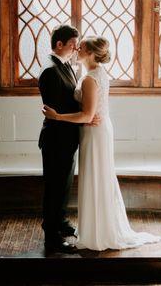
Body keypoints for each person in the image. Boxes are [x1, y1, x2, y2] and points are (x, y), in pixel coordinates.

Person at [43, 36, 160, 251]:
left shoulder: (89, 79)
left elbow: (87, 116)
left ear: (90, 54)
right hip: (96, 130)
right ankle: (97, 226)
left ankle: (99, 231)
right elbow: (90, 111)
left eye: (82, 48)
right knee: (97, 177)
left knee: (96, 177)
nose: (77, 49)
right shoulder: (93, 74)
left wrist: (57, 117)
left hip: (93, 132)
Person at [38, 24, 99, 253]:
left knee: (64, 186)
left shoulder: (64, 65)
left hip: (67, 138)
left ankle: (60, 222)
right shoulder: (50, 71)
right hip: (56, 140)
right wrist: (85, 117)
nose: (76, 49)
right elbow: (57, 111)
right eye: (73, 44)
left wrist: (87, 114)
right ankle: (51, 237)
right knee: (54, 188)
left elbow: (71, 100)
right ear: (59, 44)